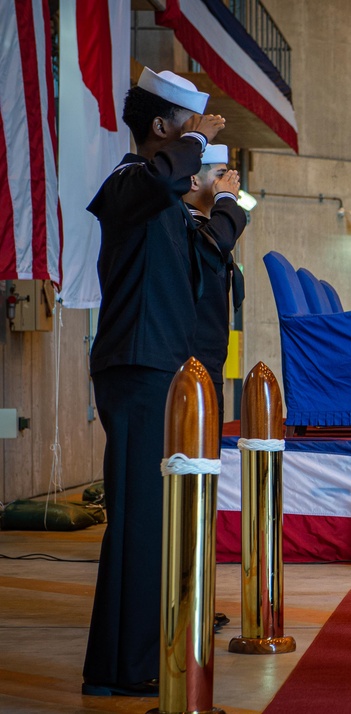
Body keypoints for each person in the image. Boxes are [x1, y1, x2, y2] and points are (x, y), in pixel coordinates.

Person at [83, 67, 225, 697]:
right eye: (188, 128)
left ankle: (128, 658)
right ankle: (122, 666)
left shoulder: (157, 194)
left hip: (156, 368)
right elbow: (166, 174)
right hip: (137, 369)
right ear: (162, 128)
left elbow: (199, 267)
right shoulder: (129, 181)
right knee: (139, 519)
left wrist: (222, 202)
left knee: (149, 520)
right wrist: (199, 141)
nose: (197, 143)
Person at [182, 143, 248, 436]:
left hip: (209, 357)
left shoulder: (207, 224)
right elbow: (214, 244)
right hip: (191, 358)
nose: (229, 183)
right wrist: (225, 199)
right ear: (194, 180)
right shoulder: (182, 224)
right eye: (220, 175)